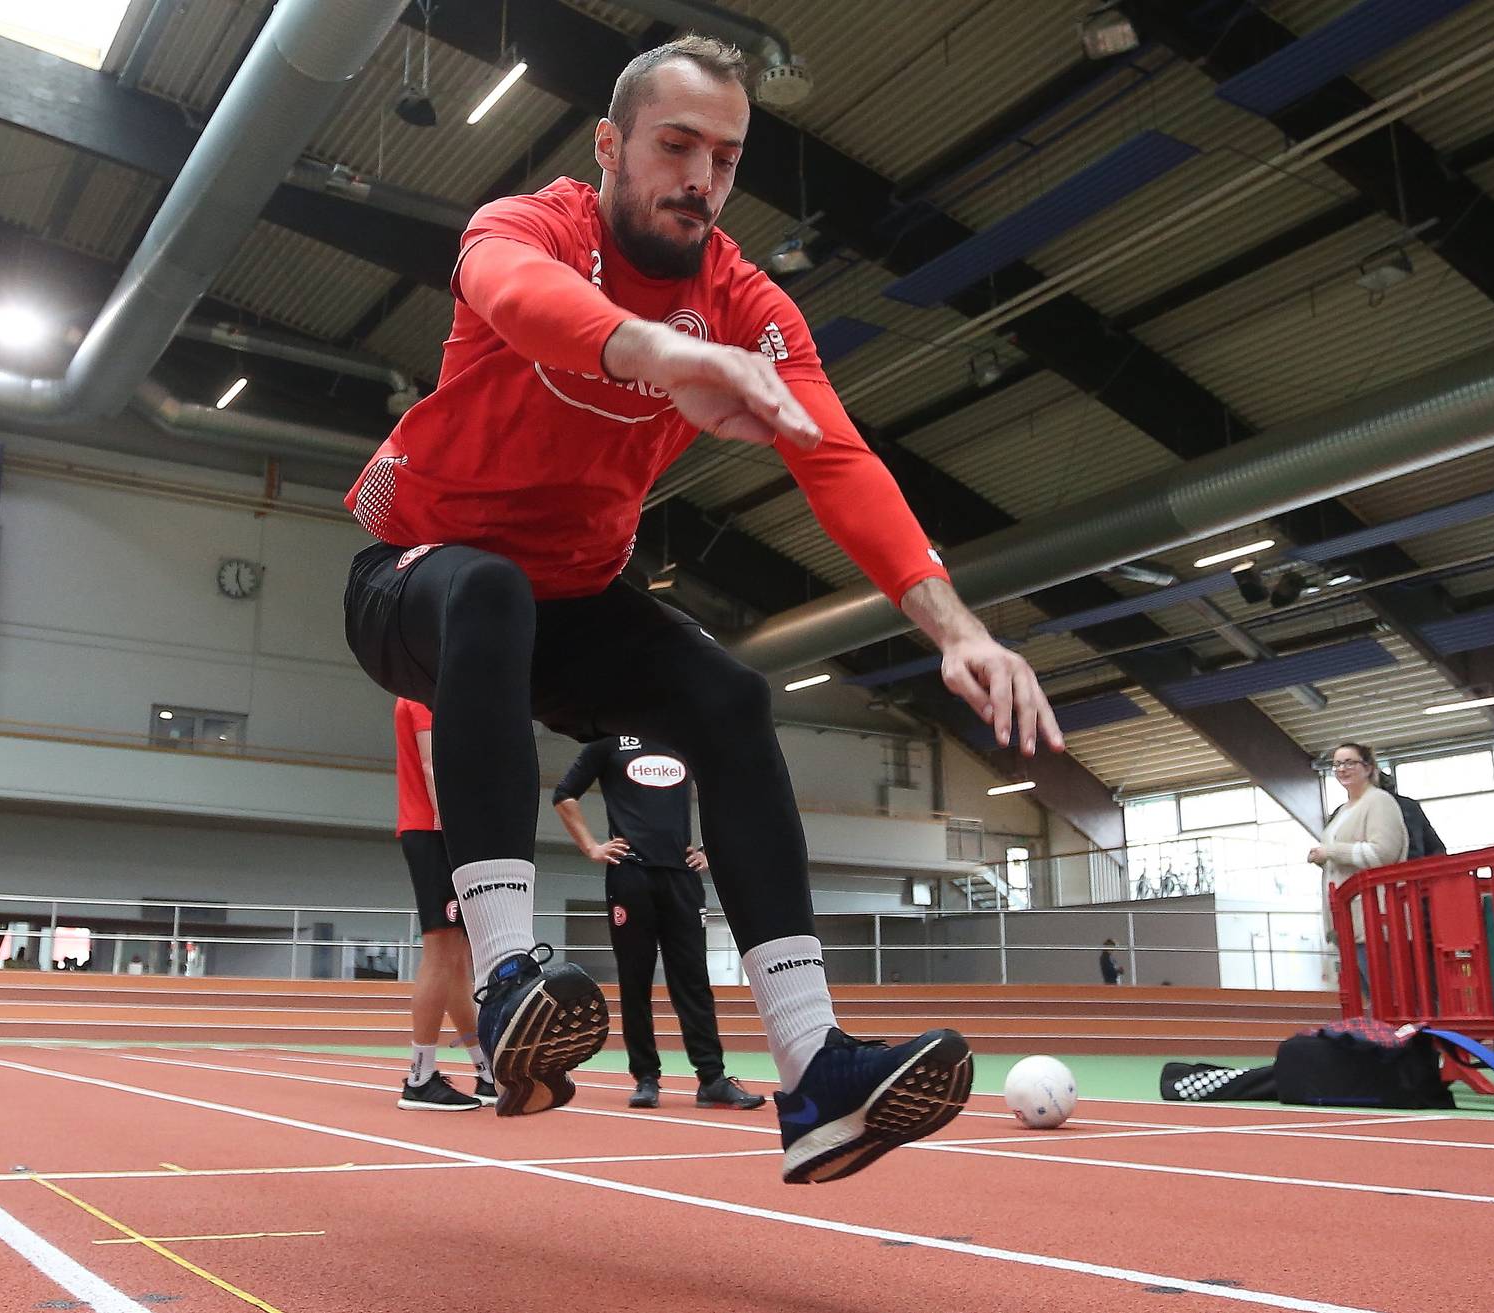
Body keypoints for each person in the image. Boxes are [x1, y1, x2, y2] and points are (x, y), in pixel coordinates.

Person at [340, 34, 1061, 1181]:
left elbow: (839, 462)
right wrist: (653, 351)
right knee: (484, 586)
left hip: (570, 604)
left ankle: (816, 1070)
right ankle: (510, 970)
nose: (701, 177)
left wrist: (958, 628)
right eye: (676, 146)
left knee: (730, 694)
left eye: (725, 158)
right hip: (416, 578)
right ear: (612, 145)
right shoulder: (528, 227)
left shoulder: (747, 303)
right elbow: (518, 302)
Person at [553, 737, 764, 1111]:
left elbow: (730, 792)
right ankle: (646, 1077)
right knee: (636, 980)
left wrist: (709, 850)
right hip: (630, 875)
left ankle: (712, 1079)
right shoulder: (607, 742)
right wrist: (591, 847)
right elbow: (564, 794)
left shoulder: (681, 740)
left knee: (694, 981)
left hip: (681, 878)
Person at [392, 698, 498, 1111]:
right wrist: (464, 836)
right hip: (437, 831)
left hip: (434, 831)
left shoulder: (426, 689)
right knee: (441, 953)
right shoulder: (422, 692)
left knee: (457, 959)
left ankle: (486, 1071)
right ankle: (420, 1078)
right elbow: (434, 766)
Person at [1309, 743, 1409, 990]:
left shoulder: (1379, 801)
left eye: (1349, 762)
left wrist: (1331, 851)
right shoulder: (1342, 810)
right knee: (1370, 995)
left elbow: (1383, 853)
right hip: (1347, 919)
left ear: (1368, 767)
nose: (1343, 769)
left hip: (1375, 916)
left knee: (1389, 993)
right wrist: (1324, 859)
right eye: (1337, 764)